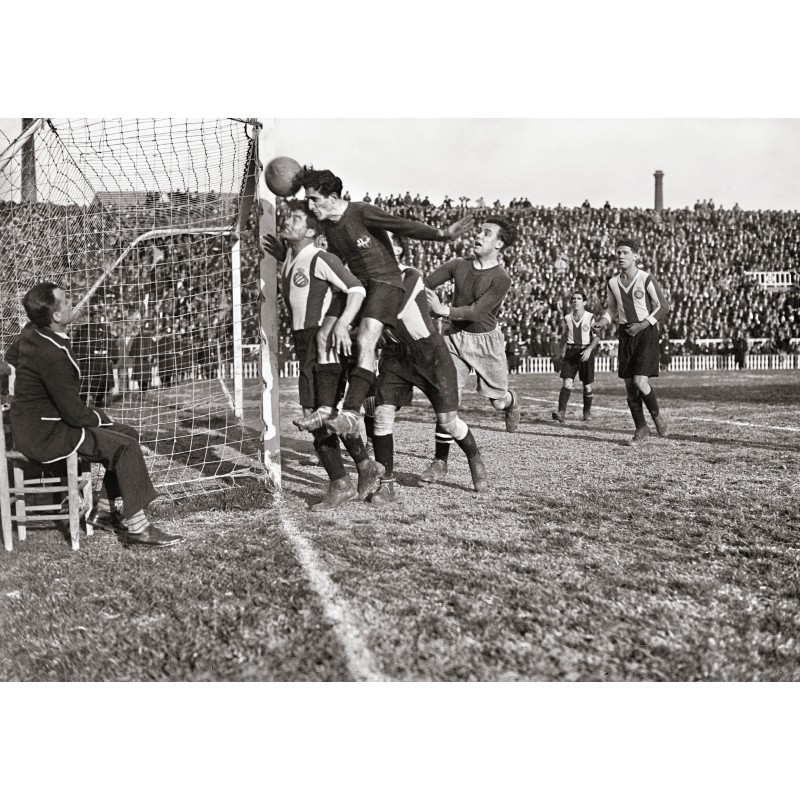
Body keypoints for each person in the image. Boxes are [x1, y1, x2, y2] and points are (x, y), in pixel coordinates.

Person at [289, 168, 473, 438]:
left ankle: (351, 413)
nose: (310, 204)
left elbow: (399, 224)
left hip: (386, 283)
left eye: (314, 199)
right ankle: (326, 408)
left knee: (365, 338)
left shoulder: (361, 212)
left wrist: (443, 235)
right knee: (323, 336)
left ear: (333, 196)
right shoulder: (328, 225)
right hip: (359, 285)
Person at [6, 282, 181, 546]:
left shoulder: (32, 330)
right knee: (125, 446)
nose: (70, 303)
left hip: (40, 423)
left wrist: (13, 393)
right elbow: (76, 416)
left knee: (128, 434)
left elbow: (9, 357)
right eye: (65, 301)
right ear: (54, 316)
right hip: (48, 435)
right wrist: (106, 419)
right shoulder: (53, 355)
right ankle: (138, 528)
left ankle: (103, 510)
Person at [272, 199, 384, 510]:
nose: (287, 220)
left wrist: (341, 324)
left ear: (310, 230)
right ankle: (363, 467)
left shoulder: (320, 257)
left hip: (321, 341)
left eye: (296, 218)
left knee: (317, 414)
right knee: (322, 415)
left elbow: (356, 288)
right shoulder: (290, 262)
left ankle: (340, 482)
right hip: (302, 340)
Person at [368, 232, 487, 503]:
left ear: (397, 250)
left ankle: (473, 456)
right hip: (395, 354)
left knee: (448, 422)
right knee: (382, 414)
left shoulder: (410, 275)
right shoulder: (367, 278)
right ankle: (387, 485)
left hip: (429, 355)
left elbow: (386, 311)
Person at [422, 216, 520, 483]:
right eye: (479, 231)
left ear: (499, 243)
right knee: (448, 402)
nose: (479, 235)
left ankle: (510, 402)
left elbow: (477, 313)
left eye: (487, 233)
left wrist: (443, 310)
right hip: (453, 338)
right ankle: (440, 461)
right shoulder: (457, 265)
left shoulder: (501, 279)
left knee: (497, 401)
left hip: (486, 343)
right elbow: (425, 285)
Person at [593, 237, 670, 446]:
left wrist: (643, 325)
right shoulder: (612, 283)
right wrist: (602, 321)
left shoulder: (645, 279)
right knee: (629, 385)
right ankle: (641, 427)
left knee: (639, 381)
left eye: (625, 252)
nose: (620, 256)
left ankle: (656, 416)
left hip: (645, 332)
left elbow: (663, 306)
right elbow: (611, 310)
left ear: (635, 256)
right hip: (626, 333)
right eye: (618, 252)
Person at [552, 289, 599, 423]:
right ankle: (561, 412)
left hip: (585, 352)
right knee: (567, 382)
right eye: (573, 299)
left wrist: (589, 350)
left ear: (584, 302)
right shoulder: (567, 318)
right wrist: (559, 352)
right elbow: (564, 336)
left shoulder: (590, 317)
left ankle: (586, 412)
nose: (575, 301)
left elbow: (596, 338)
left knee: (587, 386)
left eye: (578, 298)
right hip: (571, 352)